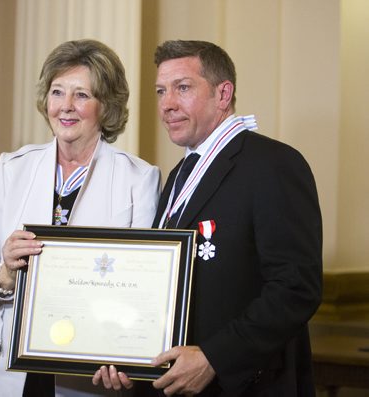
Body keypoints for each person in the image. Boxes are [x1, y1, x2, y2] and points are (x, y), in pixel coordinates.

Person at [93, 40, 323, 397]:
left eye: (183, 88)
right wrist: (127, 353)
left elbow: (296, 289)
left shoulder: (273, 164)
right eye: (160, 91)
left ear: (223, 93)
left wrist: (215, 358)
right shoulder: (180, 175)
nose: (167, 104)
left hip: (246, 386)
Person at [0, 39, 161, 396]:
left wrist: (128, 356)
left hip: (88, 378)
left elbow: (143, 296)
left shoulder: (138, 179)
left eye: (82, 95)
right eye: (57, 92)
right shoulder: (12, 168)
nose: (66, 107)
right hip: (9, 375)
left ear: (106, 105)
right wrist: (5, 274)